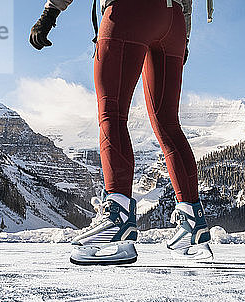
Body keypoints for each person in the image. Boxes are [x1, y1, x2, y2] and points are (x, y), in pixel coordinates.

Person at [30, 0, 214, 265]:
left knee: (112, 115)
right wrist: (182, 35)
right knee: (168, 124)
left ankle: (117, 219)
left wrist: (49, 14)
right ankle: (193, 224)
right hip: (172, 19)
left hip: (129, 11)